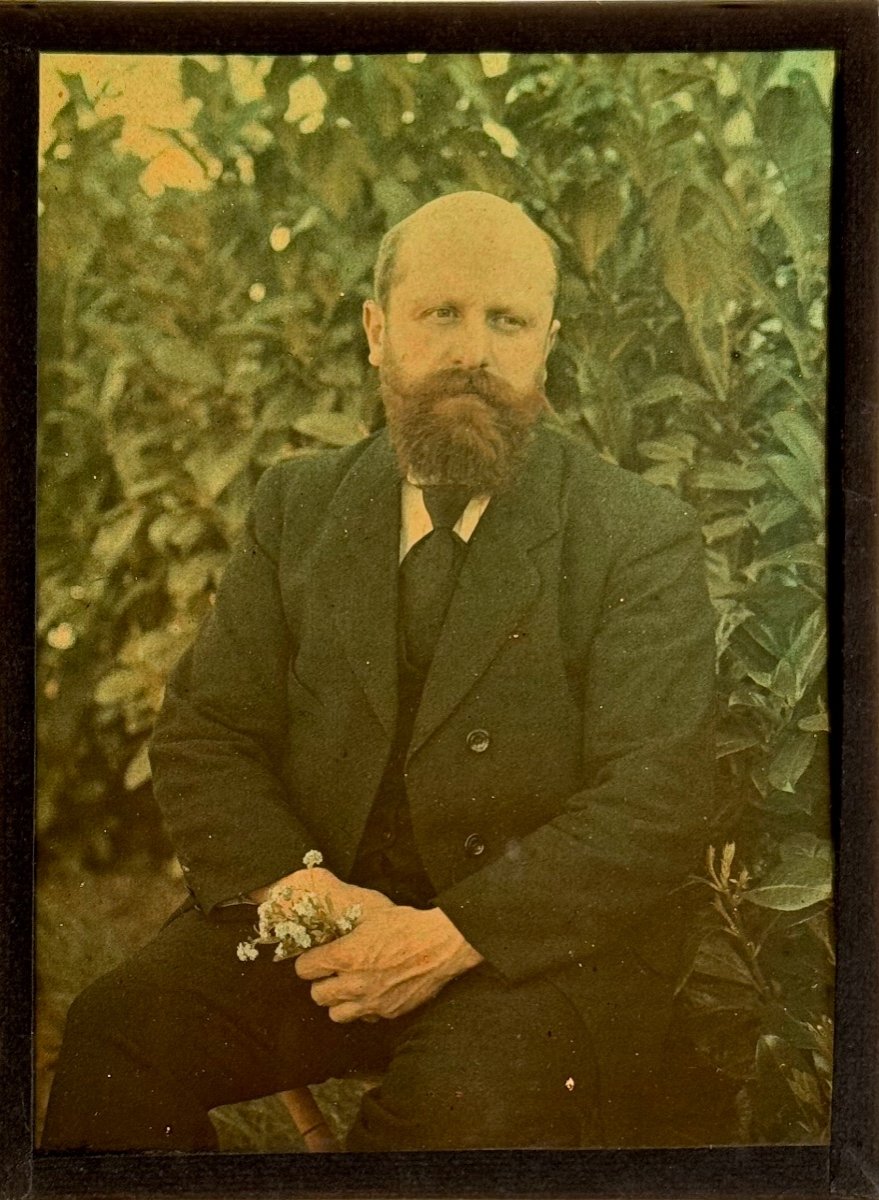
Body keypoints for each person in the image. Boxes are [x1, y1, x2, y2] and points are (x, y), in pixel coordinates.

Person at [42, 190, 716, 1153]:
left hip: (527, 953)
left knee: (445, 1123)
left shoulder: (634, 534)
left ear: (547, 345)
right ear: (376, 331)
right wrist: (316, 904)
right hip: (324, 924)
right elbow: (207, 731)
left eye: (507, 321)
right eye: (439, 313)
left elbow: (658, 792)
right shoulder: (301, 506)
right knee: (119, 1036)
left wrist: (445, 938)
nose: (471, 352)